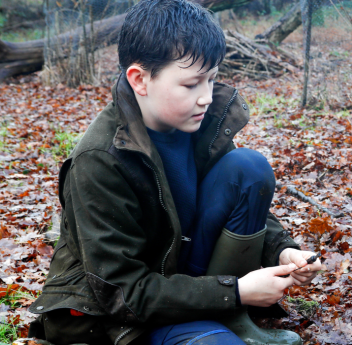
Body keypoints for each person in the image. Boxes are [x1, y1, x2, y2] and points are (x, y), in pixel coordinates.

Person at [27, 0, 322, 344]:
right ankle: (218, 323)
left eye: (212, 80)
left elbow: (233, 196)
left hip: (180, 276)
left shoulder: (195, 124)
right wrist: (237, 291)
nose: (207, 98)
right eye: (191, 84)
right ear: (140, 79)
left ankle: (232, 322)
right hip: (117, 319)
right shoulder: (99, 161)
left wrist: (283, 250)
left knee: (248, 168)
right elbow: (125, 293)